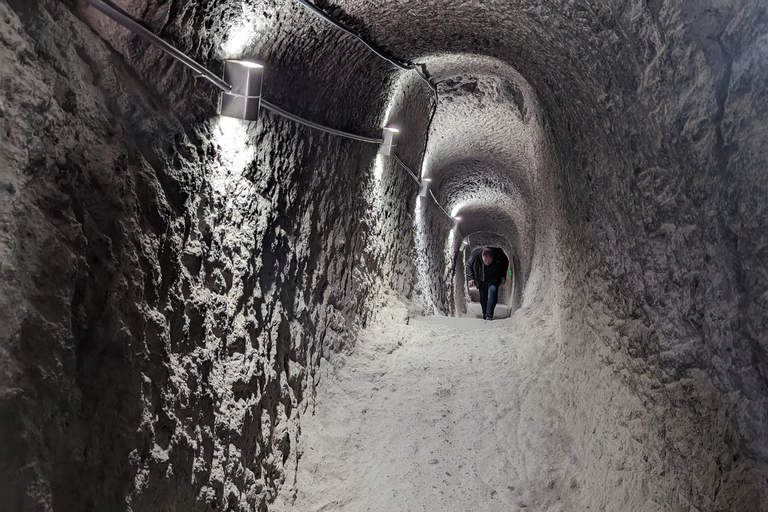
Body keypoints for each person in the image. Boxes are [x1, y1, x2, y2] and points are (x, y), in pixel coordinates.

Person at [466, 246, 509, 320]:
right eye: (485, 261)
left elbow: (505, 263)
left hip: (494, 277)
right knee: (483, 296)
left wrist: (503, 275)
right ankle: (484, 313)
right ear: (482, 256)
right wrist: (471, 278)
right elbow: (468, 265)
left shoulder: (499, 254)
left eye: (489, 261)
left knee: (493, 292)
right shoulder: (475, 255)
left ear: (493, 257)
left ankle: (489, 314)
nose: (487, 263)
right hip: (481, 278)